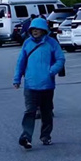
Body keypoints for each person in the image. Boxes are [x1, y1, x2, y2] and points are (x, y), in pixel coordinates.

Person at [13, 17, 65, 149]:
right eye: (33, 29)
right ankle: (26, 137)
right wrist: (17, 79)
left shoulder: (52, 43)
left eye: (38, 29)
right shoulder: (27, 43)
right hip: (30, 84)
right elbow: (21, 62)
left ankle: (45, 136)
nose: (35, 32)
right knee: (30, 111)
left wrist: (51, 71)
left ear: (44, 30)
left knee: (46, 112)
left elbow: (60, 59)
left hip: (47, 85)